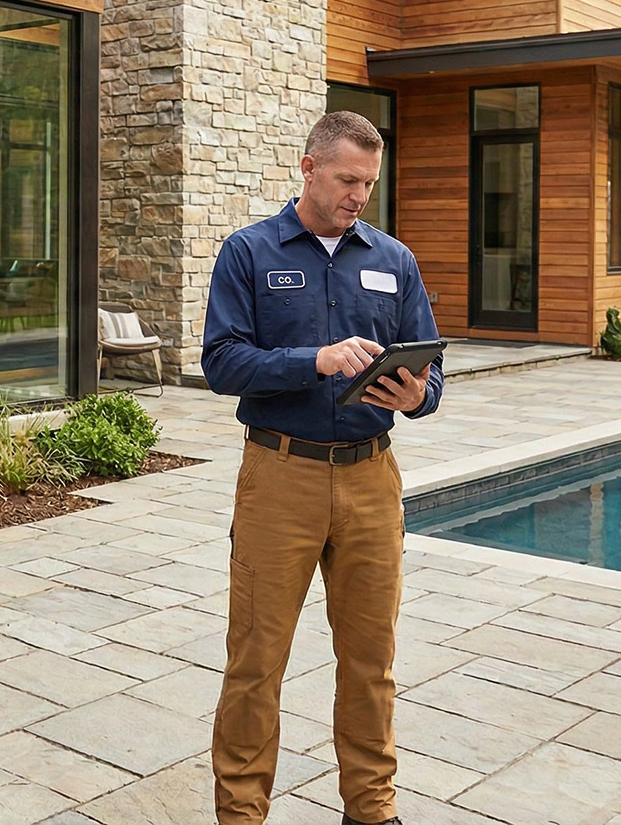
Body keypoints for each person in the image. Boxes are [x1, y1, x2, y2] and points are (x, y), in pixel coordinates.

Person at [201, 111, 444, 825]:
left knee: (372, 661)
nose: (358, 194)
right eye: (346, 179)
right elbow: (220, 361)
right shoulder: (248, 252)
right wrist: (315, 359)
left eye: (368, 182)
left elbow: (430, 376)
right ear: (308, 168)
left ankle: (372, 809)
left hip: (373, 478)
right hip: (280, 477)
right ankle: (242, 813)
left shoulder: (394, 259)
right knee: (256, 661)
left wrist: (418, 393)